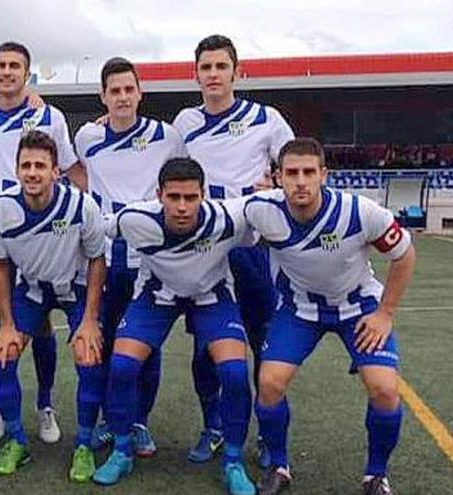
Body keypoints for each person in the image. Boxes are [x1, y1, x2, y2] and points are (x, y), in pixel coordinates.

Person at [245, 138, 415, 495]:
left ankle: (376, 475)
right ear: (278, 177)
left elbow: (404, 254)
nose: (301, 181)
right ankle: (279, 465)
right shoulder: (260, 209)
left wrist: (385, 313)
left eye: (309, 172)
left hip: (359, 308)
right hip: (299, 308)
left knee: (384, 388)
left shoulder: (360, 212)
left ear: (324, 175)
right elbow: (211, 215)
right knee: (270, 382)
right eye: (292, 173)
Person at [93, 158, 256, 495]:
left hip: (212, 295)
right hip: (157, 295)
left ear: (204, 195)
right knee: (122, 366)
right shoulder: (135, 218)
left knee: (235, 373)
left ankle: (233, 461)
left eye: (191, 198)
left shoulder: (229, 216)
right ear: (159, 195)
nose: (182, 207)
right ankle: (122, 450)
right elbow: (91, 226)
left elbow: (277, 206)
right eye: (174, 197)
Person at [0, 41, 84, 444]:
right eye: (1, 65)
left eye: (15, 66)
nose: (7, 72)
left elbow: (73, 168)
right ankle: (0, 411)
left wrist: (91, 209)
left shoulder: (48, 115)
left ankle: (45, 406)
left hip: (42, 240)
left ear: (27, 74)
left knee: (40, 326)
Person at [172, 34, 295, 466]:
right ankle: (215, 427)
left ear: (236, 72)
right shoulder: (185, 124)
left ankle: (265, 433)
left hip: (252, 249)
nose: (213, 75)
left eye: (221, 67)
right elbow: (174, 174)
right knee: (206, 346)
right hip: (205, 250)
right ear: (196, 75)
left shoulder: (266, 118)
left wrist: (278, 181)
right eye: (205, 68)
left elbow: (296, 167)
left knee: (263, 344)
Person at [73, 56, 187, 456]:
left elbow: (188, 178)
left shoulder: (166, 135)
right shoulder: (86, 137)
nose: (122, 97)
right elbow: (75, 173)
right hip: (103, 256)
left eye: (128, 89)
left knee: (145, 345)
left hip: (150, 258)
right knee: (102, 341)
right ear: (102, 96)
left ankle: (138, 421)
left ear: (140, 93)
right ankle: (111, 418)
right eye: (114, 91)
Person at [0, 131, 106, 479]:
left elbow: (98, 260)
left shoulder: (81, 205)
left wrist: (89, 319)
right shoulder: (1, 208)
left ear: (57, 171)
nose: (33, 172)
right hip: (33, 289)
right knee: (3, 354)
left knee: (88, 353)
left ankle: (83, 444)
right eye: (26, 165)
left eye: (41, 165)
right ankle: (17, 440)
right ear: (17, 169)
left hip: (75, 288)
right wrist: (7, 324)